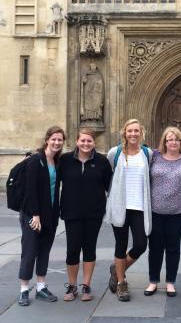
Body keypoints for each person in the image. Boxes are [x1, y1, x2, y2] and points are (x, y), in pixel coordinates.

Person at [59, 128, 112, 302]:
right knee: (72, 249)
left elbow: (108, 186)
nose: (86, 144)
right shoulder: (65, 160)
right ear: (77, 141)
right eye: (83, 140)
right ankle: (72, 285)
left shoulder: (102, 161)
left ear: (94, 143)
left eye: (89, 141)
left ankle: (86, 285)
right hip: (71, 212)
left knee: (89, 249)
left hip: (93, 213)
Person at [105, 118, 153, 302]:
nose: (133, 134)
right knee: (121, 243)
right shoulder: (114, 153)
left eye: (136, 131)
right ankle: (121, 283)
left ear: (141, 132)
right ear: (124, 133)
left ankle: (117, 268)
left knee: (141, 244)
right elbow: (108, 175)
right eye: (129, 131)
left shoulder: (147, 153)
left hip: (139, 206)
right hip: (120, 205)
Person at [18, 126, 65, 306]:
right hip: (33, 214)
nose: (56, 142)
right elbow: (30, 190)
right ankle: (23, 290)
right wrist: (35, 215)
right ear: (47, 140)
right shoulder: (35, 161)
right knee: (29, 251)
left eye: (60, 140)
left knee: (44, 251)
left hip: (50, 214)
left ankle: (41, 287)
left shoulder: (57, 162)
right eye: (53, 139)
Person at [144, 127, 181, 298]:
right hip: (155, 210)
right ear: (164, 142)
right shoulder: (154, 157)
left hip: (178, 211)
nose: (173, 142)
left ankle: (170, 282)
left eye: (176, 139)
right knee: (155, 247)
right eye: (169, 139)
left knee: (173, 247)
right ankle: (153, 281)